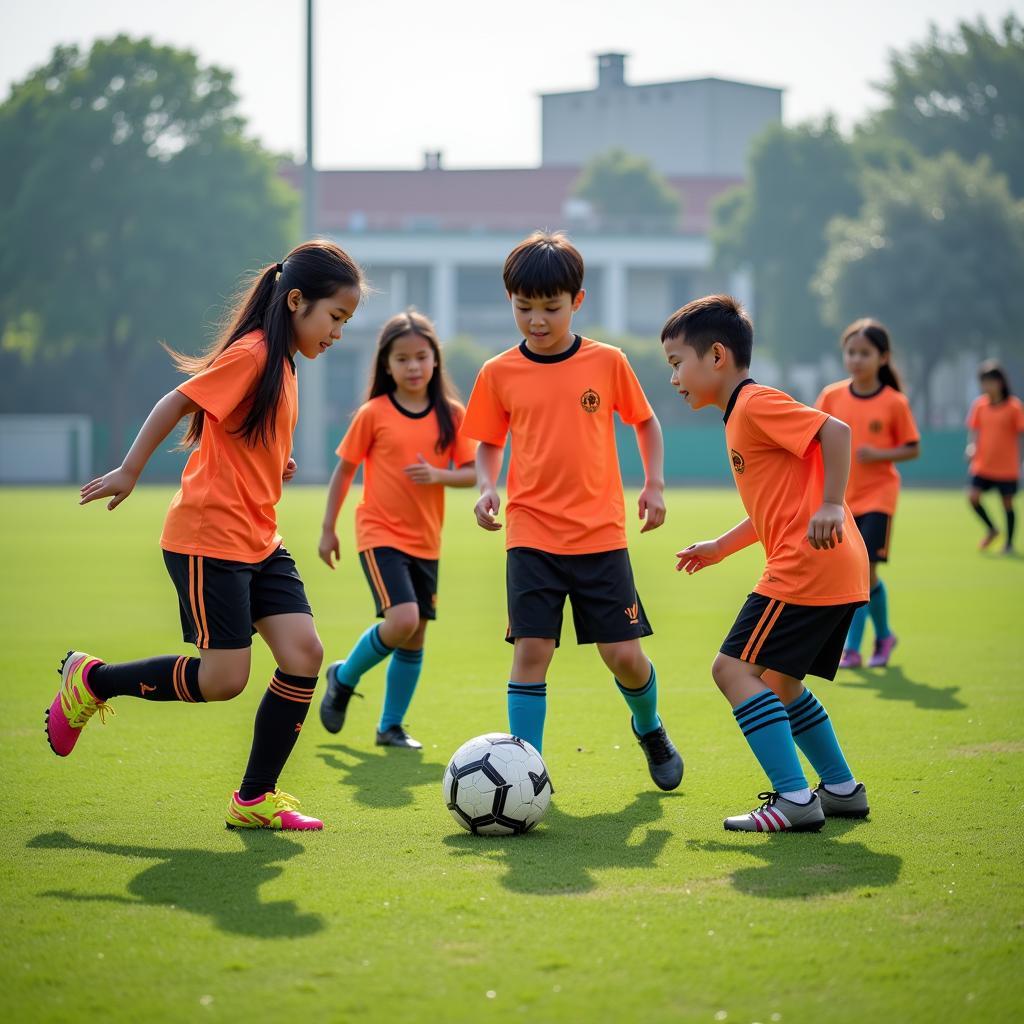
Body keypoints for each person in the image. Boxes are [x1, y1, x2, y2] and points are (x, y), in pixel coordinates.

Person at [46, 240, 365, 831]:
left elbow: (244, 435)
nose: (338, 333)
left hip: (259, 539)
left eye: (345, 322)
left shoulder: (286, 362)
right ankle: (90, 681)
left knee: (304, 655)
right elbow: (177, 401)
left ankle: (254, 799)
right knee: (224, 680)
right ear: (297, 301)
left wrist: (276, 462)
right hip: (207, 539)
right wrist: (131, 469)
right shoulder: (254, 352)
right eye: (335, 318)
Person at [462, 231, 682, 791]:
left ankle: (649, 726)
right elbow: (487, 439)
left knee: (624, 657)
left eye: (550, 308)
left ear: (577, 302)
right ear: (510, 301)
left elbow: (645, 421)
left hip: (600, 535)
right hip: (531, 533)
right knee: (532, 650)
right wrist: (487, 486)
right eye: (524, 307)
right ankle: (525, 771)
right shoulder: (497, 372)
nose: (537, 320)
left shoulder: (607, 362)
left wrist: (654, 484)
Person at [665, 295, 869, 832]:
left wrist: (831, 503)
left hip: (807, 565)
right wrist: (719, 547)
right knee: (779, 681)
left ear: (715, 356)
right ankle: (842, 789)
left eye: (676, 363)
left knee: (731, 669)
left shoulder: (754, 404)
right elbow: (772, 510)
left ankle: (795, 800)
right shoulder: (739, 416)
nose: (673, 378)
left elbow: (837, 432)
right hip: (837, 566)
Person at [318, 310, 477, 747]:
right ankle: (345, 677)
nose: (412, 367)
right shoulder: (373, 413)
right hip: (379, 532)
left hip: (426, 540)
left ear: (435, 360)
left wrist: (438, 475)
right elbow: (344, 472)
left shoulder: (453, 415)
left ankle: (390, 726)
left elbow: (474, 473)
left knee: (416, 632)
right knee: (402, 618)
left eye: (421, 357)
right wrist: (329, 528)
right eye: (402, 358)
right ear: (386, 364)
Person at [816, 319, 920, 669]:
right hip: (841, 500)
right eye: (851, 352)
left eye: (864, 353)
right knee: (859, 574)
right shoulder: (831, 395)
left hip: (879, 496)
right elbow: (813, 437)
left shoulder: (894, 402)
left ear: (883, 357)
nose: (856, 359)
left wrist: (879, 454)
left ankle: (854, 648)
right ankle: (885, 635)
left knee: (863, 572)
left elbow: (912, 448)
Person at [966, 360, 1024, 555]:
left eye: (989, 382)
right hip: (983, 464)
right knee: (973, 498)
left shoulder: (1014, 407)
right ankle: (992, 528)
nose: (986, 387)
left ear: (1000, 382)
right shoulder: (979, 406)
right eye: (983, 383)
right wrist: (971, 447)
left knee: (1007, 503)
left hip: (1007, 466)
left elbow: (1020, 434)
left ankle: (1008, 544)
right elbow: (974, 431)